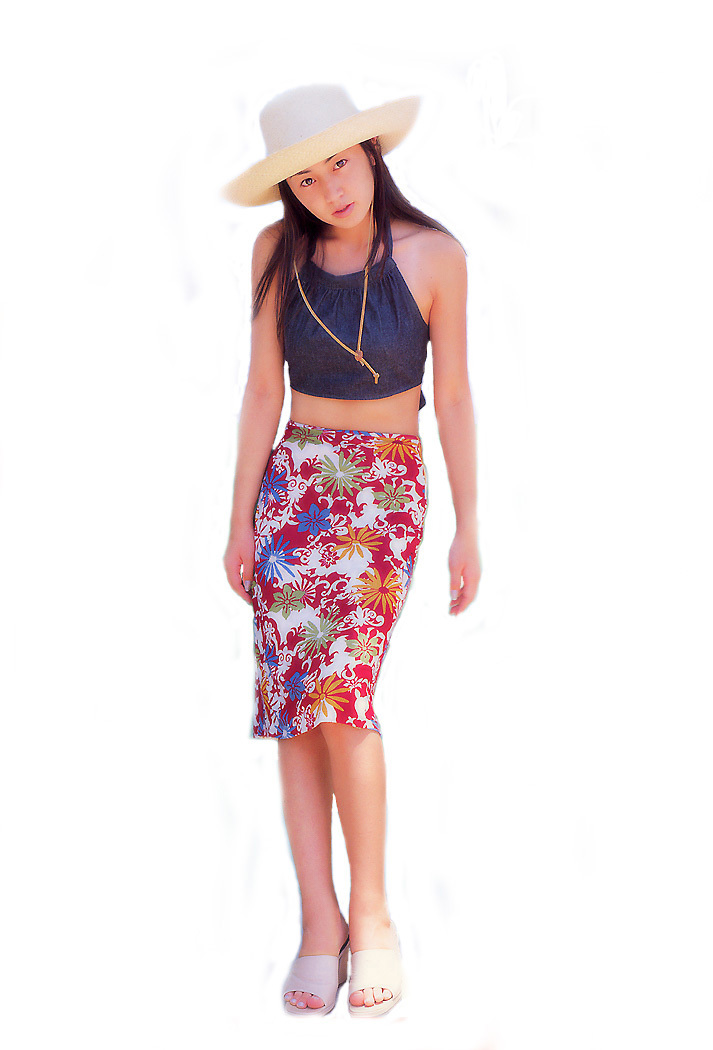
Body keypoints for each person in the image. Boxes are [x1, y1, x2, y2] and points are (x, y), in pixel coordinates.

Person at [221, 84, 481, 1019]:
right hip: (294, 486)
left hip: (383, 490)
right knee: (297, 709)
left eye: (340, 162)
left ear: (371, 154)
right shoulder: (275, 254)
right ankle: (317, 921)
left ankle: (373, 918)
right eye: (305, 177)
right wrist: (239, 522)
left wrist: (469, 524)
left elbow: (454, 397)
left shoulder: (436, 255)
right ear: (287, 190)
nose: (330, 188)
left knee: (342, 697)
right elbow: (262, 391)